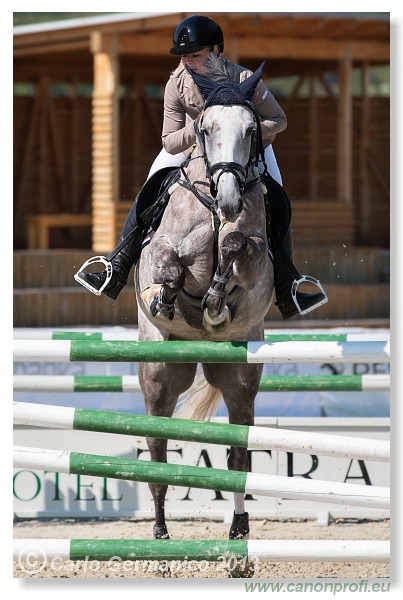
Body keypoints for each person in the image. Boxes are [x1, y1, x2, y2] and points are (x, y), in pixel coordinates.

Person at [75, 14, 327, 319]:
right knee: (152, 185)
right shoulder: (176, 83)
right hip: (195, 147)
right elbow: (169, 141)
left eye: (195, 55)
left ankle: (288, 286)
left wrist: (241, 130)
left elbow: (280, 120)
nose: (188, 62)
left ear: (216, 50)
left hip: (246, 149)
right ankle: (116, 265)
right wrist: (203, 129)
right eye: (184, 56)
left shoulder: (244, 78)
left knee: (277, 196)